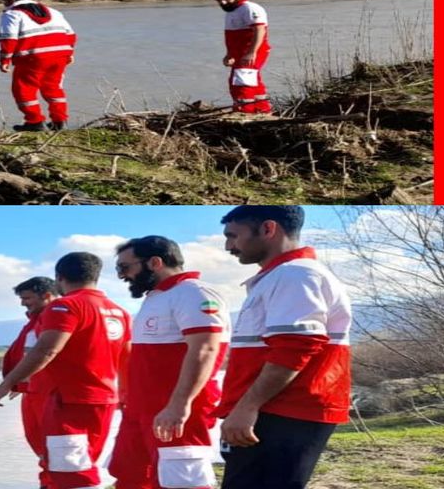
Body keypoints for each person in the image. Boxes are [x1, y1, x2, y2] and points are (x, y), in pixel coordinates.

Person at [218, 206, 352, 489]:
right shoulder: (281, 276)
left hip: (283, 411)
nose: (228, 245)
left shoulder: (296, 275)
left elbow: (295, 346)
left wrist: (247, 407)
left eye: (233, 236)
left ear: (268, 229)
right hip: (273, 409)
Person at [0, 253, 131, 489]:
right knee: (73, 463)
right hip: (102, 400)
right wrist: (126, 395)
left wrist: (3, 386)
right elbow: (127, 358)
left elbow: (45, 350)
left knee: (72, 472)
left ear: (59, 277)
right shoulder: (119, 312)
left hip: (68, 401)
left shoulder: (65, 305)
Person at [109, 237, 229, 489]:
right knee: (131, 476)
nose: (121, 275)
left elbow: (205, 349)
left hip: (176, 412)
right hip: (142, 409)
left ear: (155, 262)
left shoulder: (193, 292)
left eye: (124, 267)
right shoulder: (157, 297)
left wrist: (179, 405)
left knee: (181, 482)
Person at [3, 277, 61, 489]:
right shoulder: (36, 319)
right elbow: (29, 354)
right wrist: (20, 383)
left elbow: (47, 353)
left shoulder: (58, 318)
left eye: (27, 298)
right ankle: (47, 482)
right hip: (32, 391)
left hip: (50, 393)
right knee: (39, 443)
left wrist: (6, 384)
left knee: (54, 446)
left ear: (46, 295)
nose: (23, 303)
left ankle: (54, 483)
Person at [0, 0, 77, 132]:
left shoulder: (12, 14)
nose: (4, 5)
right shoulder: (54, 12)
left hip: (33, 57)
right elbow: (70, 34)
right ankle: (60, 122)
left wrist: (4, 60)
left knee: (23, 89)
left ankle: (35, 122)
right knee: (53, 87)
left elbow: (8, 39)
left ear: (12, 0)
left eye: (5, 1)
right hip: (60, 55)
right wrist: (70, 53)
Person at [212, 0, 272, 114]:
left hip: (252, 51)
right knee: (252, 80)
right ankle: (262, 110)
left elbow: (259, 30)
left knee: (242, 82)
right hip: (240, 53)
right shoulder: (231, 12)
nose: (222, 2)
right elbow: (232, 37)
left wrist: (251, 52)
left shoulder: (249, 8)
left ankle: (244, 112)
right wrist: (230, 54)